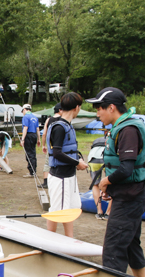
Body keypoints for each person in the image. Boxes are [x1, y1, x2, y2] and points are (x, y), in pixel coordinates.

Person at [86, 87, 145, 277]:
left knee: (113, 250)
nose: (97, 114)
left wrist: (105, 181)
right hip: (129, 194)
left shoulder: (128, 130)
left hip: (130, 198)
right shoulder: (122, 127)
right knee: (131, 244)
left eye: (99, 108)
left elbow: (126, 169)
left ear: (112, 108)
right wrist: (111, 187)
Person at [45, 92, 89, 237]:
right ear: (77, 108)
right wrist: (77, 163)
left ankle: (69, 239)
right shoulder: (59, 127)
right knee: (57, 211)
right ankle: (49, 241)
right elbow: (56, 153)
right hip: (60, 177)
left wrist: (76, 162)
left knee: (68, 209)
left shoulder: (67, 125)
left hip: (68, 175)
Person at [87, 133, 112, 220]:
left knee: (95, 185)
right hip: (106, 159)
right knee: (113, 183)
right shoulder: (111, 140)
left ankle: (99, 212)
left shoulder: (97, 140)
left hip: (92, 159)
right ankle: (108, 213)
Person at [39, 103, 61, 189]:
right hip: (61, 146)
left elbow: (44, 134)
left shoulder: (49, 120)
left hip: (51, 147)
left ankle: (46, 182)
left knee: (47, 164)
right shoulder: (63, 119)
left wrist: (44, 145)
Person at [20, 104, 40, 178]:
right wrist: (38, 139)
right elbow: (38, 129)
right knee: (33, 153)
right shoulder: (35, 117)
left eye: (22, 111)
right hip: (34, 135)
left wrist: (22, 139)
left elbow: (25, 128)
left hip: (28, 135)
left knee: (29, 154)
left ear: (25, 109)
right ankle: (34, 170)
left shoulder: (25, 117)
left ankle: (32, 172)